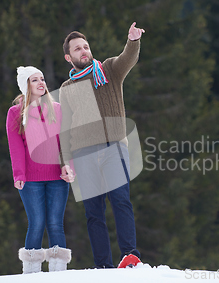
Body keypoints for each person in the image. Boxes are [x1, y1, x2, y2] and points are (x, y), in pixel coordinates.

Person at [58, 22, 145, 268]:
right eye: (77, 49)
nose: (84, 51)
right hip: (83, 154)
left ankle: (130, 255)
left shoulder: (108, 70)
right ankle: (103, 266)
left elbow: (127, 58)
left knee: (121, 200)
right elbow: (64, 128)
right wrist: (65, 161)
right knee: (94, 213)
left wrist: (133, 40)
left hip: (114, 148)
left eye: (85, 46)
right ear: (69, 57)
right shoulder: (67, 89)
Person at [6, 66, 73, 274]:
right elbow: (15, 146)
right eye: (35, 80)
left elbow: (66, 141)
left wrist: (67, 166)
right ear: (26, 85)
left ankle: (58, 272)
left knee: (55, 223)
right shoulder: (16, 113)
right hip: (31, 179)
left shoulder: (58, 109)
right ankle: (31, 273)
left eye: (42, 79)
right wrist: (19, 173)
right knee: (37, 222)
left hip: (57, 177)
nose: (41, 83)